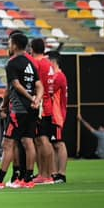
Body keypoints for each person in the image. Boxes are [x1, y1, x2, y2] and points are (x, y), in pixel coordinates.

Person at [0, 32, 42, 190]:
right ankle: (27, 180)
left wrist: (6, 103)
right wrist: (36, 99)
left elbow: (14, 85)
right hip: (32, 108)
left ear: (14, 45)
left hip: (19, 108)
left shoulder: (12, 63)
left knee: (8, 143)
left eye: (9, 43)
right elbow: (39, 85)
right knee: (28, 141)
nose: (8, 46)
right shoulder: (31, 63)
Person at [29, 37, 55, 183]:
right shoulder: (47, 63)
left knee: (42, 140)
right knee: (42, 140)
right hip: (48, 104)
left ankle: (46, 175)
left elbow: (36, 85)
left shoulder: (36, 63)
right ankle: (46, 174)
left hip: (41, 106)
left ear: (32, 48)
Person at [48, 51, 69, 182]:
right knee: (54, 144)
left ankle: (61, 173)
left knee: (59, 143)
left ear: (53, 61)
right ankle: (55, 173)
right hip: (54, 114)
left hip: (57, 115)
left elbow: (49, 91)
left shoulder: (58, 76)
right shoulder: (57, 76)